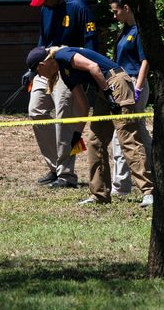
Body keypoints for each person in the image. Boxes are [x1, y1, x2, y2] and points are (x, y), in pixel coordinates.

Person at [26, 43, 154, 207]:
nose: (40, 76)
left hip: (115, 83)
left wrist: (108, 94)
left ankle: (149, 192)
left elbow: (93, 67)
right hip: (104, 89)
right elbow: (83, 105)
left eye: (37, 72)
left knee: (127, 138)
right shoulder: (64, 74)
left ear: (42, 65)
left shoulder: (62, 54)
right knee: (95, 142)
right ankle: (99, 195)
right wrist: (77, 135)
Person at [27, 0, 96, 189]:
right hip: (45, 66)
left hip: (68, 69)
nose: (43, 4)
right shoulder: (45, 8)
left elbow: (90, 45)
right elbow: (43, 39)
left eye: (44, 0)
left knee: (64, 120)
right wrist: (32, 68)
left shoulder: (79, 8)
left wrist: (82, 74)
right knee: (36, 112)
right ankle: (54, 166)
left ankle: (66, 175)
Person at [108, 0, 152, 201]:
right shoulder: (125, 31)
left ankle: (121, 185)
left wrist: (138, 87)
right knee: (140, 132)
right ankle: (154, 174)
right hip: (122, 82)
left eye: (116, 11)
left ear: (126, 7)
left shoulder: (139, 31)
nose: (114, 16)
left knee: (123, 132)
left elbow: (145, 61)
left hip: (133, 82)